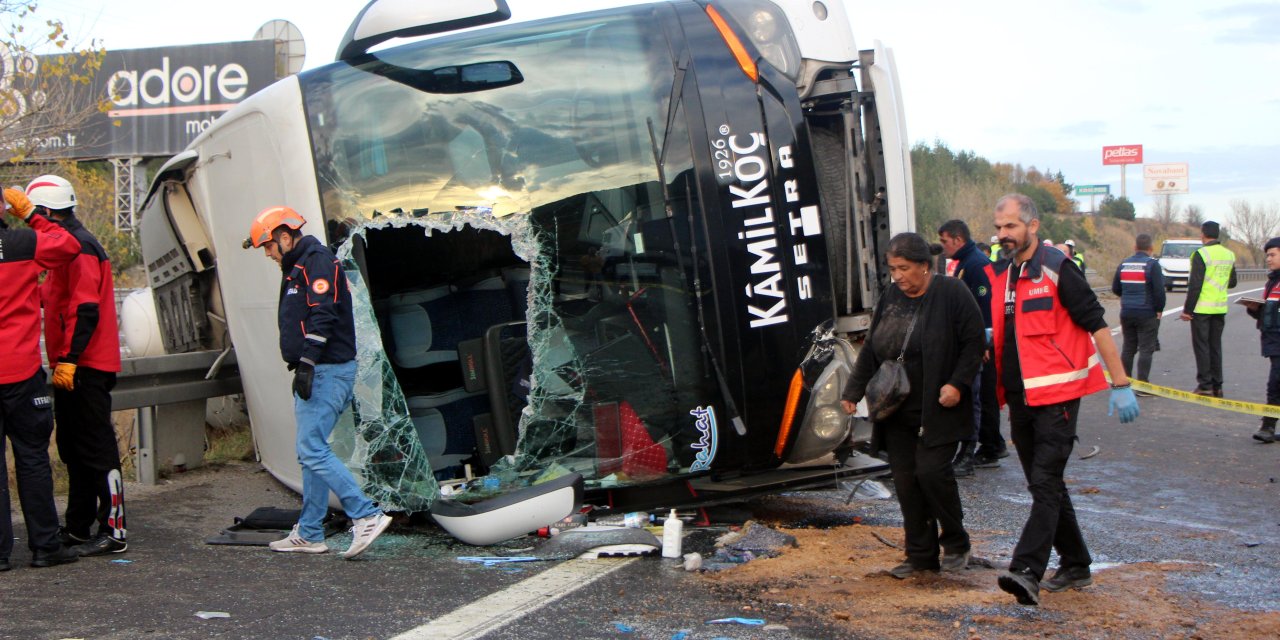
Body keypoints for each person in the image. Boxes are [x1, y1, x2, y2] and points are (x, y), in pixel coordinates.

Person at [985, 194, 1139, 606]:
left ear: (1032, 227)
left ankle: (1026, 571)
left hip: (1059, 396)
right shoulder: (1006, 275)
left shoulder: (1058, 268)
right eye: (999, 228)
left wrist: (1120, 382)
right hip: (1021, 397)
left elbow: (1098, 325)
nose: (1004, 235)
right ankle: (1076, 564)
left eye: (1011, 226)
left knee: (1046, 481)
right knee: (1043, 484)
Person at [246, 205, 392, 558]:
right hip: (318, 370)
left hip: (326, 370)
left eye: (268, 245)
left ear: (284, 236)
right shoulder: (298, 265)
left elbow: (323, 313)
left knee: (311, 448)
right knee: (310, 451)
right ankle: (310, 532)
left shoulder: (316, 261)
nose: (267, 254)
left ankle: (366, 514)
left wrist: (308, 363)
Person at [840, 232, 985, 579]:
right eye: (893, 269)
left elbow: (974, 342)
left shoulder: (951, 293)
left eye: (904, 268)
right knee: (905, 482)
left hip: (939, 406)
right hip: (896, 409)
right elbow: (874, 349)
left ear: (924, 266)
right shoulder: (891, 296)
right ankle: (920, 554)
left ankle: (956, 542)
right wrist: (853, 390)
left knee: (932, 474)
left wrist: (958, 384)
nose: (898, 276)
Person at [25, 176, 128, 558]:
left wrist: (69, 359)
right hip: (72, 365)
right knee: (74, 449)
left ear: (47, 212)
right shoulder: (64, 249)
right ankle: (79, 526)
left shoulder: (80, 247)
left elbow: (85, 307)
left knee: (97, 449)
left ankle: (114, 529)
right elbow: (52, 298)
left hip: (85, 364)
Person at [0, 187, 83, 570]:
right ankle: (45, 547)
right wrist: (31, 213)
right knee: (32, 459)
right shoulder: (23, 241)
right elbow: (67, 245)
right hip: (21, 370)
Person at [937, 219, 1004, 475]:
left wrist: (983, 342)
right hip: (975, 341)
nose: (943, 247)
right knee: (984, 397)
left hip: (981, 343)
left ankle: (987, 448)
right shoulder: (967, 263)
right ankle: (992, 444)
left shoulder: (976, 264)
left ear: (957, 239)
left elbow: (985, 306)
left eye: (945, 242)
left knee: (981, 398)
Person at [1181, 221, 1237, 397]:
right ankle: (1217, 386)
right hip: (1219, 308)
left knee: (1201, 346)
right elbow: (1233, 282)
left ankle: (1204, 385)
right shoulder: (1229, 254)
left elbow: (1195, 285)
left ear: (1203, 234)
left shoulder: (1201, 254)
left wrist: (1187, 311)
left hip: (1202, 309)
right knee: (1215, 346)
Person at [1111, 233, 1166, 392]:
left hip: (1127, 312)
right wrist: (1159, 310)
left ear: (1135, 248)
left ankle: (1124, 382)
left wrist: (1128, 297)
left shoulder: (1124, 264)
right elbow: (1159, 292)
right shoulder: (1152, 265)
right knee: (1146, 349)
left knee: (1128, 347)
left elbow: (1116, 288)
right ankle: (1143, 386)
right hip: (1146, 313)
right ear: (1151, 249)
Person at [1242, 237, 1280, 443]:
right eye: (1267, 255)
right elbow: (1270, 314)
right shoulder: (1272, 282)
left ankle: (1267, 427)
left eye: (1273, 254)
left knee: (1275, 384)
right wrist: (1255, 309)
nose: (1268, 259)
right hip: (1273, 340)